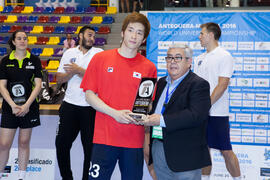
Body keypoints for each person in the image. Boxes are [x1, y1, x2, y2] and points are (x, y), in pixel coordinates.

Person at [80, 12, 157, 180]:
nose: (134, 36)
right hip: (104, 137)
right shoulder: (100, 59)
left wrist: (144, 114)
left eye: (139, 32)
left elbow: (147, 104)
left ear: (144, 39)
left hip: (133, 141)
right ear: (123, 32)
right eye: (131, 30)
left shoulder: (149, 67)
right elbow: (89, 95)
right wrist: (115, 113)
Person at [142, 44, 211, 180]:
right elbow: (157, 110)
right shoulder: (160, 83)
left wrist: (161, 120)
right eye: (169, 58)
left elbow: (195, 115)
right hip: (159, 148)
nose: (172, 61)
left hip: (185, 154)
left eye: (178, 58)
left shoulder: (199, 84)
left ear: (189, 62)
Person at [194, 22, 241, 180]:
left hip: (218, 113)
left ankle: (238, 178)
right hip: (200, 114)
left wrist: (205, 105)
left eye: (202, 33)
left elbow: (222, 85)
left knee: (226, 150)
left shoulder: (224, 55)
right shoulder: (199, 58)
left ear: (211, 35)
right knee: (203, 150)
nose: (199, 36)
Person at [55, 26, 103, 180]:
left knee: (90, 149)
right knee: (61, 145)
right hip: (69, 105)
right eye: (89, 35)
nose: (92, 38)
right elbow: (59, 79)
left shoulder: (99, 54)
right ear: (80, 35)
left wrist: (78, 70)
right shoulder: (69, 53)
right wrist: (72, 72)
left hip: (91, 107)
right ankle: (67, 177)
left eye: (94, 36)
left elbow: (100, 79)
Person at [0, 30, 42, 180]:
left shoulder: (34, 60)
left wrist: (26, 105)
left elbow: (38, 85)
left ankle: (21, 177)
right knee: (4, 144)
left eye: (25, 38)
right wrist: (12, 105)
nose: (23, 41)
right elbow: (2, 86)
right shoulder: (5, 61)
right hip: (9, 108)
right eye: (19, 38)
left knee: (24, 142)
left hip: (29, 108)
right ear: (13, 42)